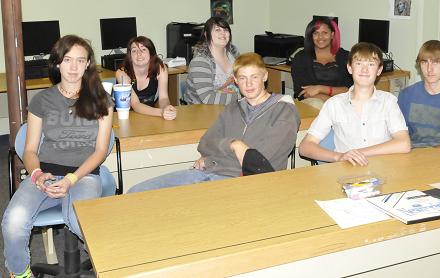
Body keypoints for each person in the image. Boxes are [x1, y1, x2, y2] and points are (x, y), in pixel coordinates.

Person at [2, 35, 113, 278]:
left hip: (84, 175)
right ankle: (20, 273)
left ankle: (117, 266)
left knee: (79, 221)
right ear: (57, 64)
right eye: (67, 60)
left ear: (87, 65)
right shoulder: (42, 100)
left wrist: (72, 179)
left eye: (80, 61)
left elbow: (101, 150)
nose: (73, 67)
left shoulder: (101, 99)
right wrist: (38, 175)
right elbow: (30, 150)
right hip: (46, 173)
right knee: (13, 220)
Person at [128, 53, 300, 193]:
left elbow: (258, 161)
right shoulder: (233, 108)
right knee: (136, 192)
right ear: (235, 80)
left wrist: (212, 159)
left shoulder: (283, 111)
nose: (248, 84)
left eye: (254, 77)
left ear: (265, 76)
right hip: (209, 174)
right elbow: (205, 143)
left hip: (245, 184)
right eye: (242, 78)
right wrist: (234, 144)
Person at [299, 42, 411, 166]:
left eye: (371, 64)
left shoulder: (388, 101)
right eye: (358, 63)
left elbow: (404, 144)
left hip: (382, 172)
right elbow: (305, 147)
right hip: (346, 172)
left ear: (379, 70)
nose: (364, 70)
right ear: (349, 68)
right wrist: (340, 156)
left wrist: (357, 153)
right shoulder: (334, 104)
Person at [291, 17, 353, 109]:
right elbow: (304, 93)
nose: (320, 37)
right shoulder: (300, 58)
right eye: (316, 33)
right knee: (317, 104)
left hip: (342, 102)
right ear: (310, 36)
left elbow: (349, 90)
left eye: (325, 33)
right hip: (314, 103)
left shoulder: (345, 57)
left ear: (332, 35)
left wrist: (320, 88)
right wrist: (334, 106)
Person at [116, 36, 177, 120]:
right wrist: (161, 112)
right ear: (130, 56)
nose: (139, 53)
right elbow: (135, 104)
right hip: (126, 118)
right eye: (134, 50)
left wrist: (167, 109)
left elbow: (163, 98)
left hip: (150, 116)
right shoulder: (122, 73)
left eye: (143, 49)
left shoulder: (160, 68)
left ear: (151, 53)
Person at [182, 17, 240, 105]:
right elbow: (208, 98)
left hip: (231, 107)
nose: (223, 33)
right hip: (201, 110)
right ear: (206, 34)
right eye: (217, 30)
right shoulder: (200, 61)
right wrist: (244, 96)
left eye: (226, 30)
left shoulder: (234, 54)